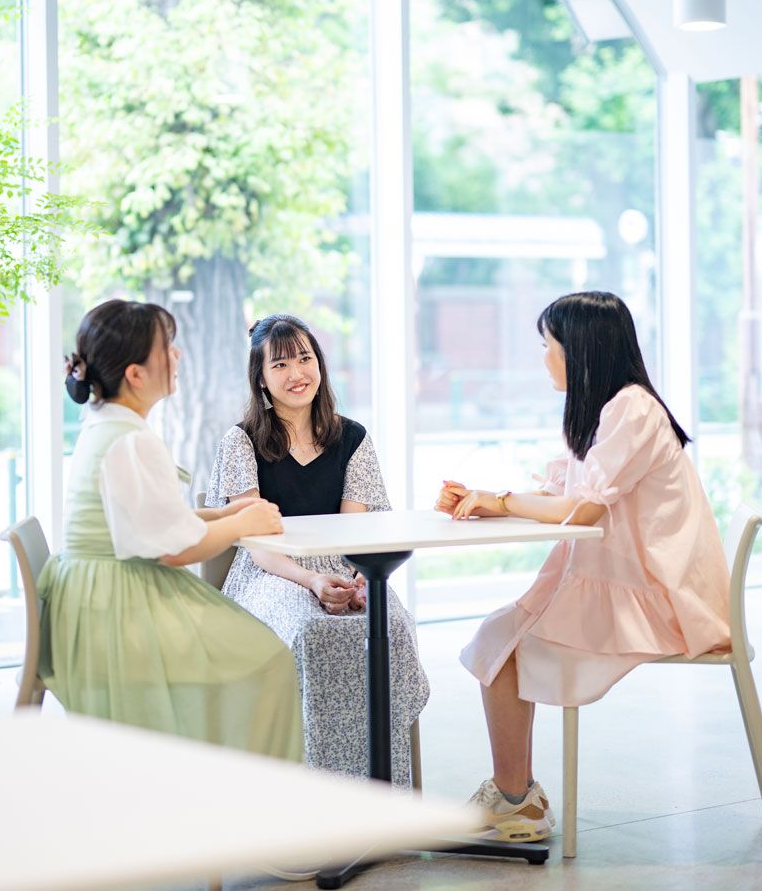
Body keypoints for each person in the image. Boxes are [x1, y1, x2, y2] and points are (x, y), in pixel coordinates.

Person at [438, 291, 730, 842]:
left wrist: (500, 500)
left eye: (548, 345)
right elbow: (562, 492)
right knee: (497, 640)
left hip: (659, 598)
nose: (544, 357)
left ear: (580, 349)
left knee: (500, 647)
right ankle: (515, 795)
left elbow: (583, 507)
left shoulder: (632, 409)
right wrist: (485, 499)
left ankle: (516, 799)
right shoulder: (613, 409)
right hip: (630, 582)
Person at [38, 299, 302, 762]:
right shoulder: (132, 440)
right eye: (168, 348)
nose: (178, 356)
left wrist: (225, 518)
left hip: (92, 596)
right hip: (116, 611)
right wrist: (242, 521)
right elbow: (176, 550)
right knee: (270, 660)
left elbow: (153, 524)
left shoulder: (105, 428)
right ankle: (251, 798)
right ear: (137, 374)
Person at [205, 313, 429, 786]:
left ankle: (382, 786)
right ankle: (312, 790)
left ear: (320, 365)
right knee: (308, 631)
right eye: (281, 364)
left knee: (392, 629)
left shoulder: (353, 438)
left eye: (305, 359)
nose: (296, 373)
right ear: (261, 379)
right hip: (272, 572)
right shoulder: (241, 441)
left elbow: (357, 534)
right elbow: (257, 543)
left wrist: (356, 582)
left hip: (347, 569)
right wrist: (311, 581)